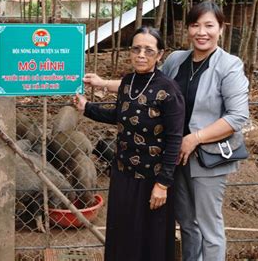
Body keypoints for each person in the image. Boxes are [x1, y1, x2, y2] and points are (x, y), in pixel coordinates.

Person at [75, 26, 185, 261]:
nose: (141, 55)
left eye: (149, 50)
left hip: (152, 179)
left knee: (150, 238)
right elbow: (120, 114)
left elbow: (175, 139)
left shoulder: (168, 90)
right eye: (136, 49)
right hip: (123, 174)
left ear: (160, 54)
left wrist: (163, 184)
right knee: (123, 234)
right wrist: (87, 108)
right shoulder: (128, 81)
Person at [161, 1, 249, 261]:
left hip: (208, 158)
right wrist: (104, 84)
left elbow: (237, 117)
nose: (202, 32)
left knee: (210, 228)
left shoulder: (229, 65)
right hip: (177, 156)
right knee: (187, 223)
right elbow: (151, 86)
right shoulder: (176, 60)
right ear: (187, 29)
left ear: (221, 28)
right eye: (195, 25)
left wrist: (195, 138)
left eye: (209, 25)